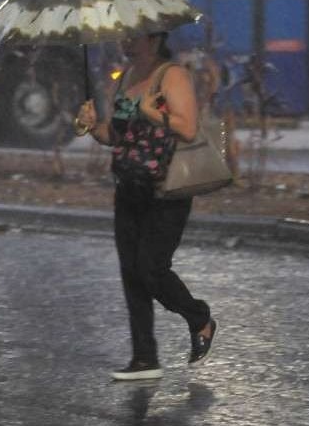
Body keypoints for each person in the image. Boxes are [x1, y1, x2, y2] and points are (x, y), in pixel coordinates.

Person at [74, 32, 218, 381]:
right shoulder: (125, 78)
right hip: (129, 187)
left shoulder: (171, 75)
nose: (124, 41)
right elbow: (118, 136)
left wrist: (154, 113)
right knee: (131, 274)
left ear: (154, 39)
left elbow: (187, 127)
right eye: (123, 35)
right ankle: (144, 358)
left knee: (150, 268)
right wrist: (93, 127)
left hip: (165, 190)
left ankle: (199, 317)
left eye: (133, 35)